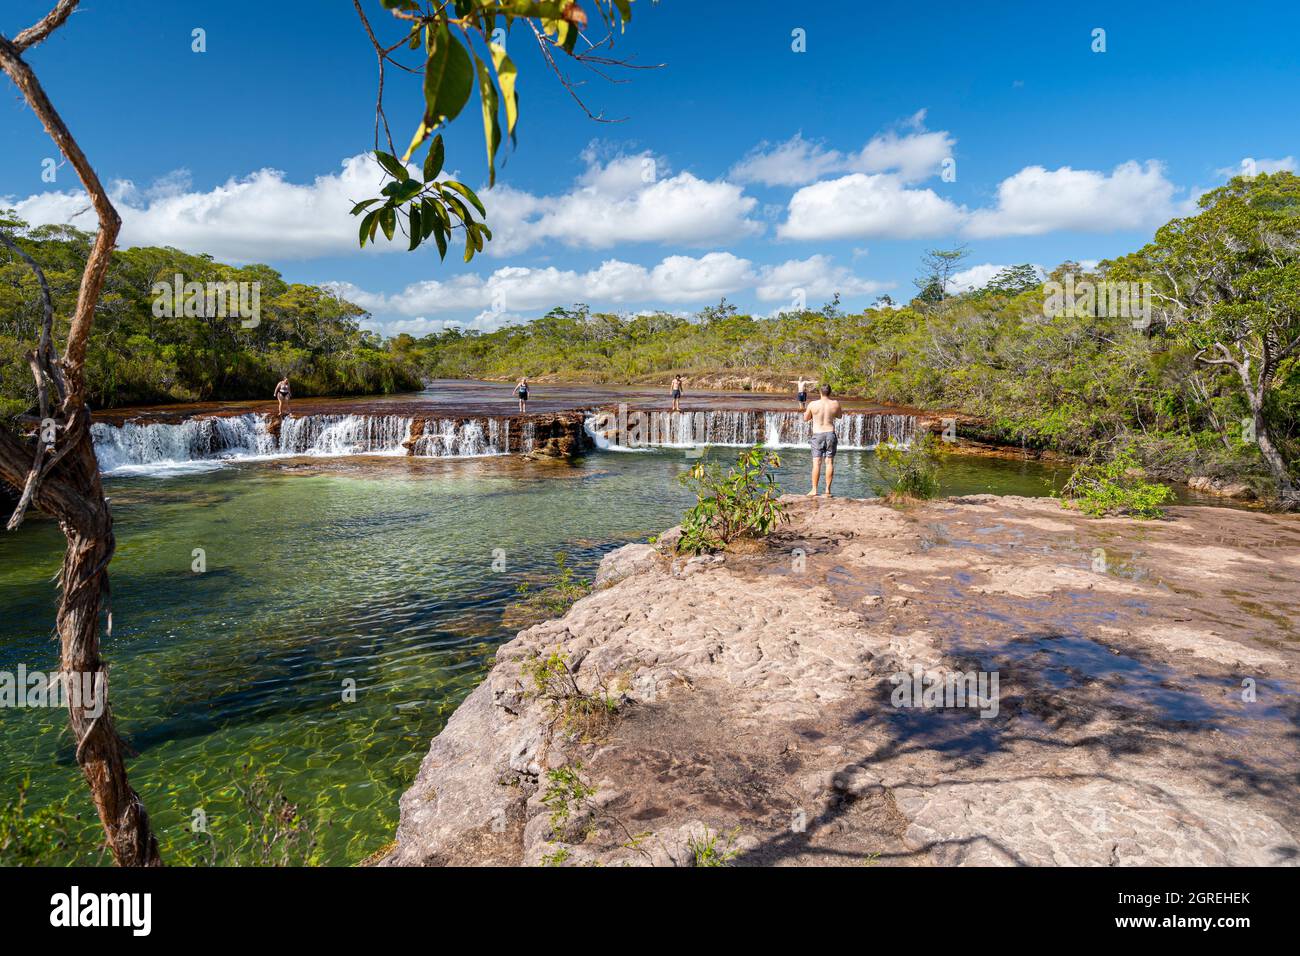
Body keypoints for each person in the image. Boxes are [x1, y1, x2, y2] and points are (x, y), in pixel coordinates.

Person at [803, 383, 842, 497]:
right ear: (830, 392)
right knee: (829, 462)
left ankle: (814, 490)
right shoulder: (835, 403)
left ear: (820, 392)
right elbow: (839, 416)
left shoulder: (813, 404)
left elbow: (806, 418)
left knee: (816, 463)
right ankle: (827, 491)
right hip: (830, 433)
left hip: (818, 434)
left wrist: (809, 413)